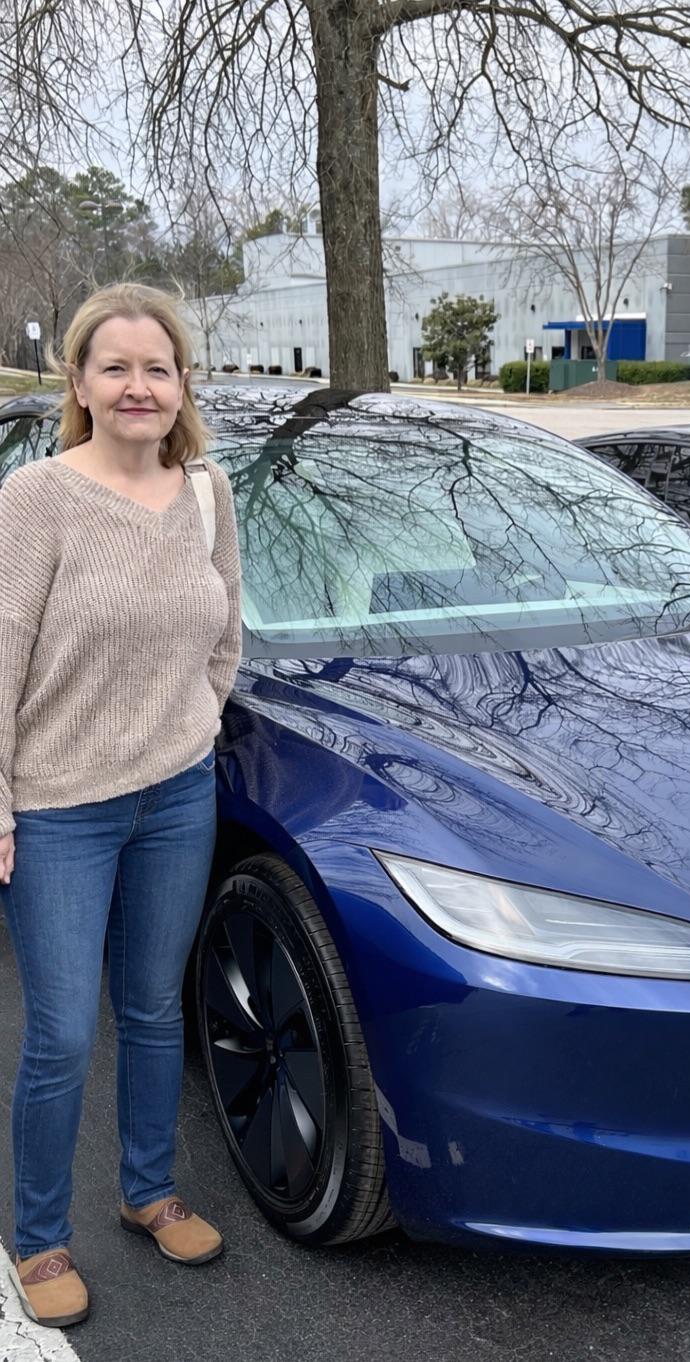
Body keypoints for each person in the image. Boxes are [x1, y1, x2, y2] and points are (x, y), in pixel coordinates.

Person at [0, 283, 242, 1328]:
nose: (138, 386)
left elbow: (226, 634)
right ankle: (39, 1237)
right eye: (116, 367)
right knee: (61, 1033)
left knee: (151, 1010)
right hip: (60, 807)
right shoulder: (36, 499)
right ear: (81, 382)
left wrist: (193, 726)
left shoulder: (208, 494)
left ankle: (148, 1191)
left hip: (177, 796)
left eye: (158, 367)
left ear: (182, 382)